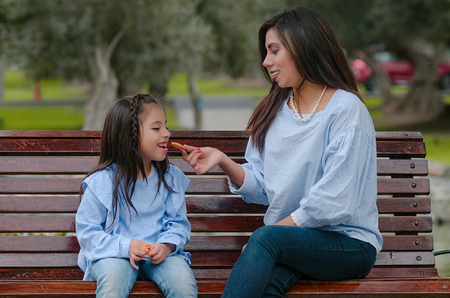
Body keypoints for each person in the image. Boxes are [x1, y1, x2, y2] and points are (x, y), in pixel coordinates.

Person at [181, 6, 382, 298]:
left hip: (349, 244)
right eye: (265, 52)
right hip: (293, 242)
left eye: (274, 50)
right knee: (268, 287)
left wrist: (271, 236)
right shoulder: (273, 112)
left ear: (303, 47)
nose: (266, 61)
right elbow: (265, 186)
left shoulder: (347, 111)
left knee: (266, 240)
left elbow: (334, 201)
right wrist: (224, 161)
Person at [76, 94, 198, 298]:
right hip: (114, 254)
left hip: (158, 255)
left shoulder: (170, 178)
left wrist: (166, 246)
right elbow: (88, 233)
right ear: (131, 137)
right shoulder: (102, 182)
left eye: (165, 126)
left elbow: (178, 224)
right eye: (156, 128)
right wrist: (125, 246)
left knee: (183, 284)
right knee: (113, 280)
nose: (167, 133)